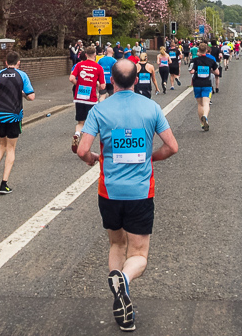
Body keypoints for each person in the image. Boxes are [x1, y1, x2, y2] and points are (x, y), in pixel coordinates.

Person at [76, 60, 179, 332]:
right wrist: (151, 157)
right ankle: (124, 279)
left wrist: (92, 159)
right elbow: (172, 146)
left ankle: (123, 302)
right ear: (136, 80)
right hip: (140, 192)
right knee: (140, 254)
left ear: (111, 80)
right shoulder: (151, 108)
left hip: (109, 192)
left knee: (116, 245)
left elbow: (82, 149)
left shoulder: (100, 109)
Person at [0, 51, 35, 195]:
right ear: (18, 63)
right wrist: (21, 93)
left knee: (1, 145)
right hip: (14, 116)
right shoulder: (22, 75)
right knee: (11, 148)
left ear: (5, 62)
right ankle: (4, 184)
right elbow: (31, 97)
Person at [71, 44, 107, 152]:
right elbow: (103, 85)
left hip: (79, 98)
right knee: (91, 124)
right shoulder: (98, 67)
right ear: (95, 54)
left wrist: (78, 84)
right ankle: (85, 147)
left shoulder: (79, 65)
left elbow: (71, 78)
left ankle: (77, 134)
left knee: (80, 122)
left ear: (86, 54)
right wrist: (96, 84)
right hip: (91, 99)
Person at [189, 42, 219, 131]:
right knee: (206, 103)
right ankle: (205, 116)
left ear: (199, 50)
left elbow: (191, 71)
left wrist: (196, 70)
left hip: (197, 84)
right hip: (207, 84)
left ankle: (202, 123)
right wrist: (211, 71)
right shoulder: (211, 61)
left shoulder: (194, 60)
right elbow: (217, 72)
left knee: (200, 104)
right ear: (206, 50)